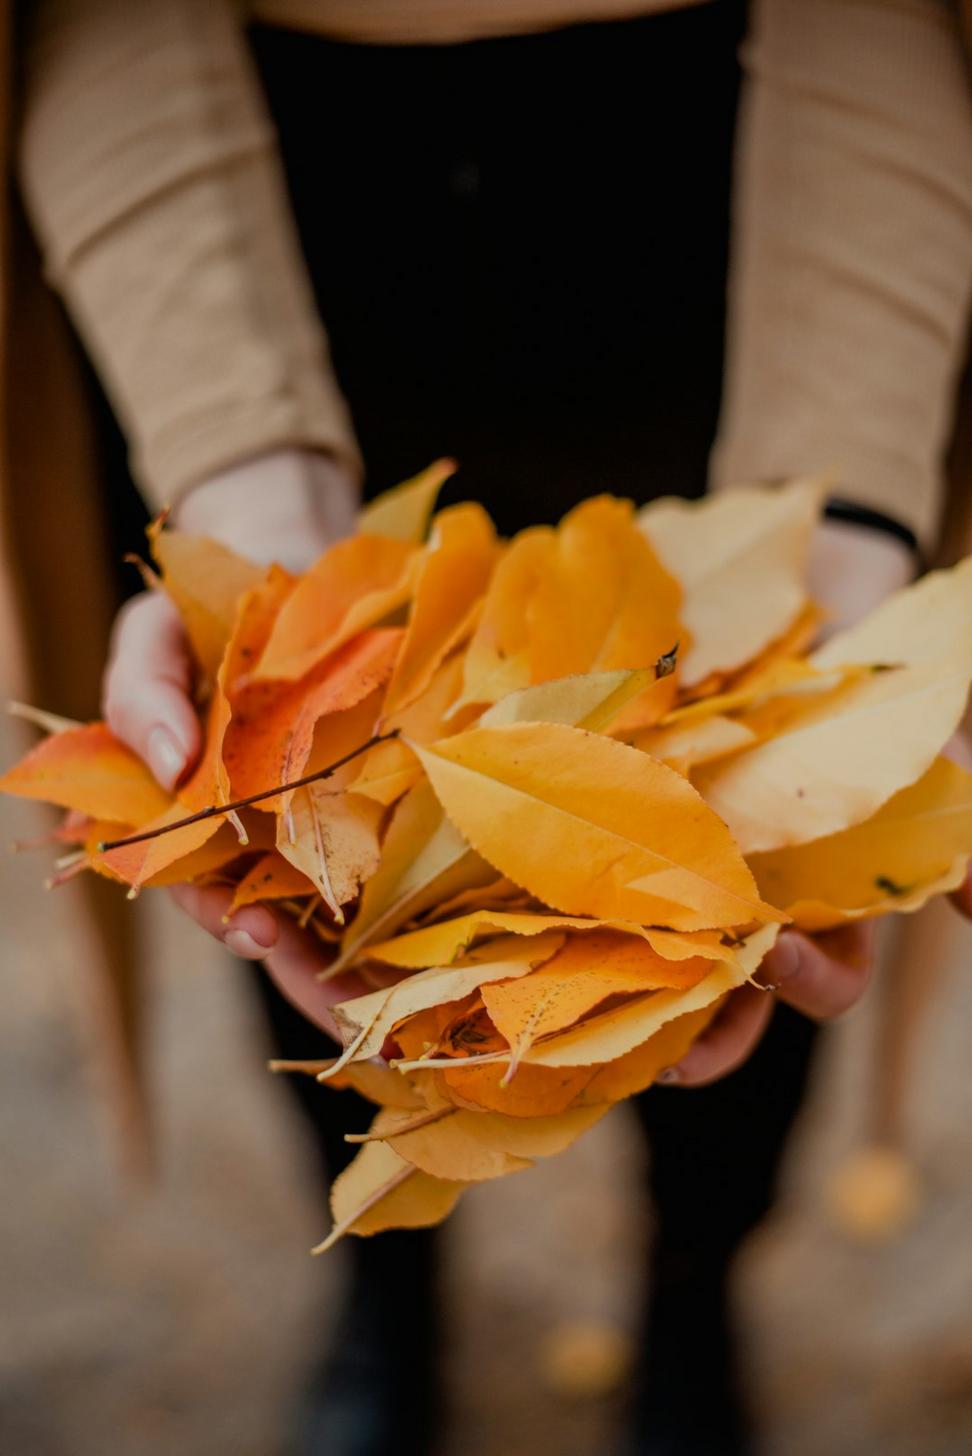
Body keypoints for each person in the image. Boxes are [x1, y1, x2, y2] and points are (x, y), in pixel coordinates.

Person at [12, 2, 972, 1453]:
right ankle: (387, 1294)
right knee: (302, 865)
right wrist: (239, 481)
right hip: (244, 205)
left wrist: (837, 512)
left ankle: (695, 1296)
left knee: (747, 907)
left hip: (738, 194)